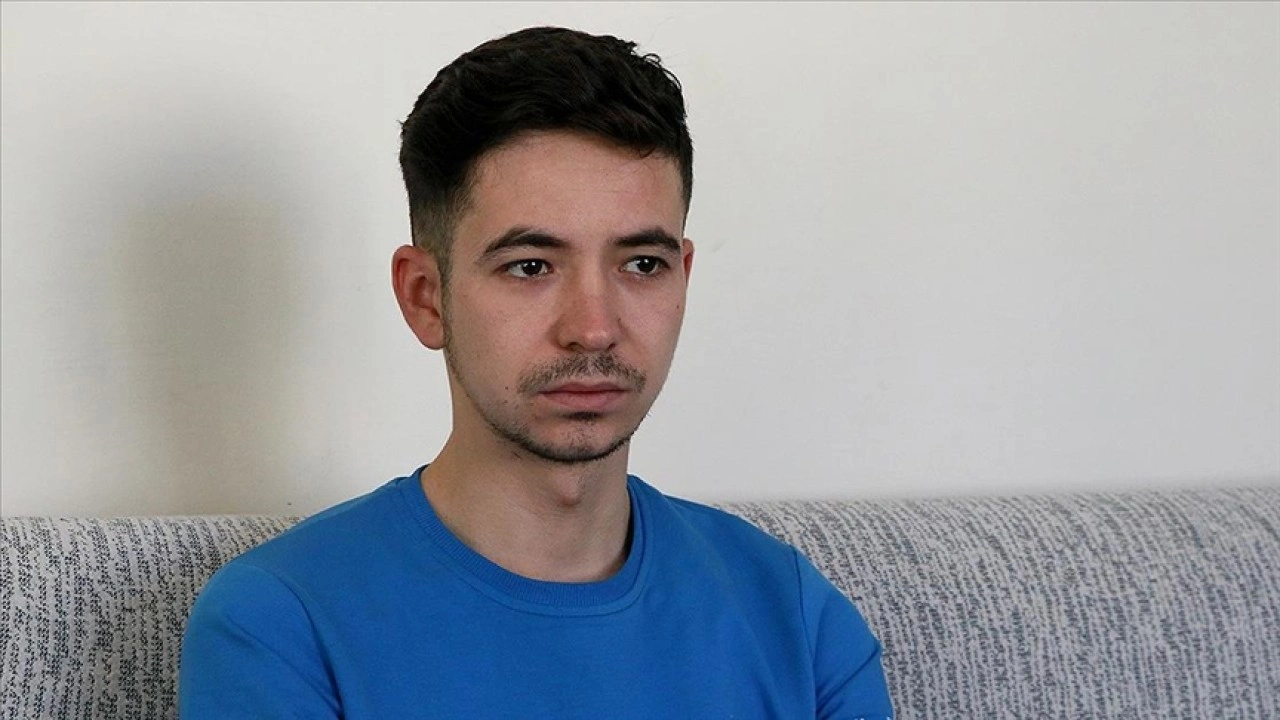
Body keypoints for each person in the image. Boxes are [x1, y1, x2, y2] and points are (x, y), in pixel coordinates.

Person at [178, 26, 894, 719]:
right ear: (426, 297)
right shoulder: (281, 625)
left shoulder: (796, 616)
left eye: (643, 264)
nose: (594, 327)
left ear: (683, 276)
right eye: (530, 266)